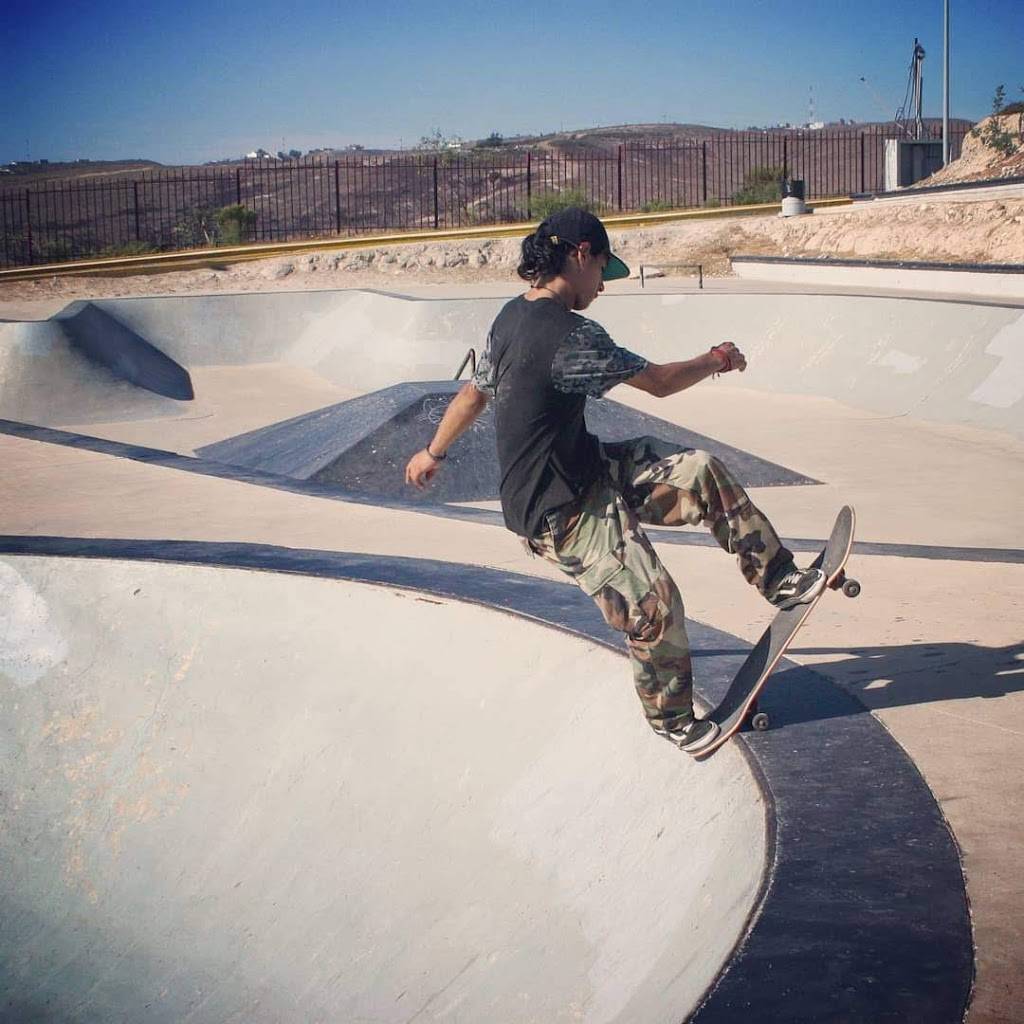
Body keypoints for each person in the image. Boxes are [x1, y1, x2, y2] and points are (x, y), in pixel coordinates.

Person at [404, 208, 825, 755]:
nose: (603, 286)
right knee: (654, 605)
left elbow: (472, 393)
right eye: (604, 270)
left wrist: (432, 451)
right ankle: (673, 721)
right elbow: (659, 383)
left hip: (590, 469)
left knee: (699, 472)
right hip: (560, 512)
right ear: (581, 255)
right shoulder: (573, 337)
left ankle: (778, 577)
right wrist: (716, 358)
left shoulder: (510, 317)